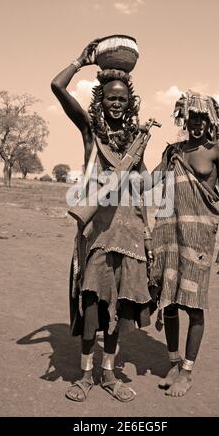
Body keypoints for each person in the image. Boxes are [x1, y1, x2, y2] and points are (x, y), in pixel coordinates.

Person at [51, 39, 153, 403]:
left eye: (122, 99)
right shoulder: (89, 133)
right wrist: (79, 61)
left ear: (130, 104)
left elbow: (145, 184)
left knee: (121, 307)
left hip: (128, 234)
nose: (116, 103)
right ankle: (84, 375)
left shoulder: (138, 141)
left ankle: (108, 373)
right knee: (92, 305)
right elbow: (57, 87)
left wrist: (166, 169)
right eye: (110, 97)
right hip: (95, 233)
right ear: (100, 100)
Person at [150, 90, 219, 397]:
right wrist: (159, 155)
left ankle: (187, 372)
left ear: (210, 121)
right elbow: (151, 181)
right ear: (184, 120)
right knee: (169, 300)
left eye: (202, 119)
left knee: (195, 306)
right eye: (192, 118)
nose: (197, 124)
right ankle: (173, 362)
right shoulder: (174, 150)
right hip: (170, 236)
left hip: (200, 238)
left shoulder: (217, 152)